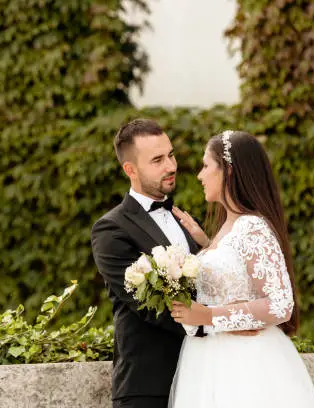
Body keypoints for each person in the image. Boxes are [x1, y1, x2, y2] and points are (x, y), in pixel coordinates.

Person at [169, 130, 314, 407]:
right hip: (207, 361)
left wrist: (209, 315)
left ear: (228, 171)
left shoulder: (252, 227)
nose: (199, 176)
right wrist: (206, 246)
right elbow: (234, 274)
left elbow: (279, 305)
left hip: (245, 364)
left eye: (206, 166)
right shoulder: (227, 228)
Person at [91, 119, 204, 408]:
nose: (171, 165)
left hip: (203, 378)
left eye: (171, 154)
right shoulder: (110, 229)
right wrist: (212, 322)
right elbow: (148, 307)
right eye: (157, 160)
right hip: (148, 386)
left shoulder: (186, 220)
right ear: (130, 170)